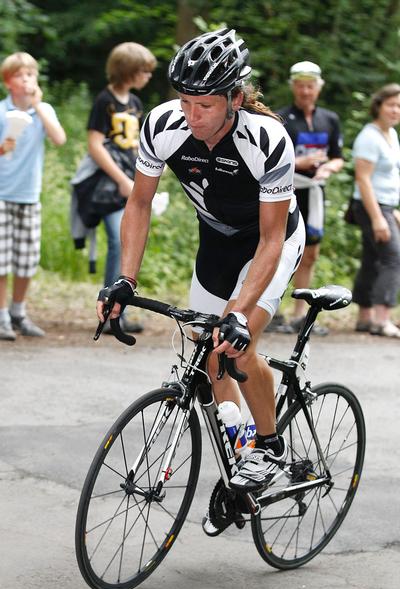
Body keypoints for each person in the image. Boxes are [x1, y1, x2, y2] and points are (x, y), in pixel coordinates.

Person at [96, 28, 305, 501]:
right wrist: (125, 279)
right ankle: (241, 449)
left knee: (236, 342)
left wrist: (239, 311)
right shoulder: (161, 125)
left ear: (234, 98)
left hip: (271, 243)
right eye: (185, 101)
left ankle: (269, 447)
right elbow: (139, 205)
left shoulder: (267, 138)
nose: (192, 115)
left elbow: (272, 237)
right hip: (216, 241)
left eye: (205, 105)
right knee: (207, 349)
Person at [75, 41, 157, 334]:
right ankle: (110, 313)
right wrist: (121, 180)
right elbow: (95, 145)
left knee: (126, 243)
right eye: (144, 71)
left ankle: (117, 313)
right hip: (108, 186)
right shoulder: (104, 101)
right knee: (118, 241)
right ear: (129, 70)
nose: (148, 76)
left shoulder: (135, 104)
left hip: (129, 182)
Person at [0, 52, 66, 341]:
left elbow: (59, 139)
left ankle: (18, 312)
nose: (27, 78)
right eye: (20, 74)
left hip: (29, 196)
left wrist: (38, 106)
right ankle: (1, 315)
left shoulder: (44, 110)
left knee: (26, 261)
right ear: (8, 82)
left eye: (31, 73)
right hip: (2, 194)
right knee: (1, 261)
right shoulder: (2, 112)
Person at [275, 61, 344, 335]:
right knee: (277, 250)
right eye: (301, 86)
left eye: (310, 86)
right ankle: (272, 310)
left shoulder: (330, 119)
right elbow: (271, 160)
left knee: (311, 253)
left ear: (319, 88)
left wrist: (329, 166)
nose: (306, 91)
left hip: (315, 193)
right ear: (293, 87)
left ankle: (299, 314)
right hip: (285, 192)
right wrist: (300, 161)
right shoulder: (280, 118)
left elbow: (338, 158)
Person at [351, 83, 400, 337]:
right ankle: (382, 319)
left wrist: (392, 211)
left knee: (372, 258)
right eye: (391, 105)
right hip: (371, 205)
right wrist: (379, 217)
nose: (396, 110)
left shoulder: (391, 135)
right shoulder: (369, 137)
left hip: (385, 206)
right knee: (393, 257)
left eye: (399, 106)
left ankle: (364, 317)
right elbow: (363, 179)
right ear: (379, 106)